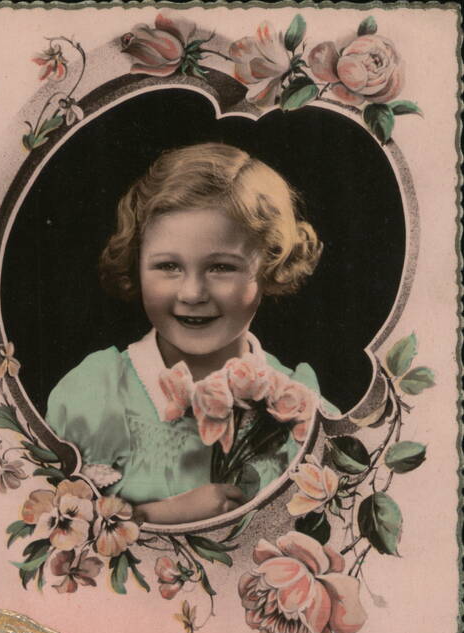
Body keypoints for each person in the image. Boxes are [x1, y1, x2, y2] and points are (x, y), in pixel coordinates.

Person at [46, 142, 334, 524]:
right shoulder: (94, 394)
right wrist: (157, 516)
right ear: (136, 262)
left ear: (270, 265)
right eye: (168, 266)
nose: (192, 293)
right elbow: (43, 536)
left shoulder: (297, 405)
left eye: (221, 268)